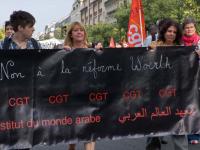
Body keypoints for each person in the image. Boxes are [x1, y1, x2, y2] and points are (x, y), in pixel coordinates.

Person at [146, 19, 189, 150]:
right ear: (164, 32)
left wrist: (197, 56)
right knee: (154, 128)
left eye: (175, 32)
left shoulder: (181, 49)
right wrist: (149, 54)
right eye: (169, 31)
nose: (172, 34)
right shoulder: (154, 46)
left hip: (176, 94)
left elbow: (188, 68)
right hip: (156, 94)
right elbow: (144, 66)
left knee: (179, 126)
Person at [64, 21, 95, 150]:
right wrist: (63, 54)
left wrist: (99, 52)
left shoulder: (92, 49)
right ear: (71, 34)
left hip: (91, 96)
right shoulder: (64, 51)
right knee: (73, 135)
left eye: (81, 30)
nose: (79, 32)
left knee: (90, 132)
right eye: (76, 30)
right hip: (72, 97)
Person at [182, 17, 200, 145]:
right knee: (189, 107)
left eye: (191, 27)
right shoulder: (179, 43)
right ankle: (191, 134)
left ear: (195, 28)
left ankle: (196, 133)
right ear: (183, 30)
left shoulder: (199, 41)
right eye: (187, 27)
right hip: (184, 80)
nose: (189, 29)